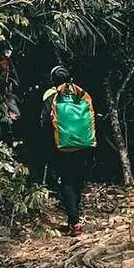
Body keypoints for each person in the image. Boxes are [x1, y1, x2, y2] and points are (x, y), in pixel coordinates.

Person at [42, 64, 96, 236]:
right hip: (83, 145)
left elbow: (44, 122)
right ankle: (75, 218)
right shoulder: (81, 93)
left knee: (65, 182)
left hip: (62, 147)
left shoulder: (51, 95)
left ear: (53, 80)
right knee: (77, 182)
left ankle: (74, 222)